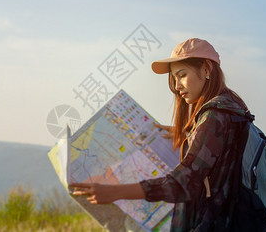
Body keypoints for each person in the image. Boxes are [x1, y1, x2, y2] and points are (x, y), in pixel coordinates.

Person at [71, 38, 251, 231]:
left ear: (207, 69)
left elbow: (183, 182)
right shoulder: (232, 105)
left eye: (182, 75)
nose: (177, 86)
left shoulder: (214, 117)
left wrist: (116, 192)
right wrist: (190, 134)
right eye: (174, 78)